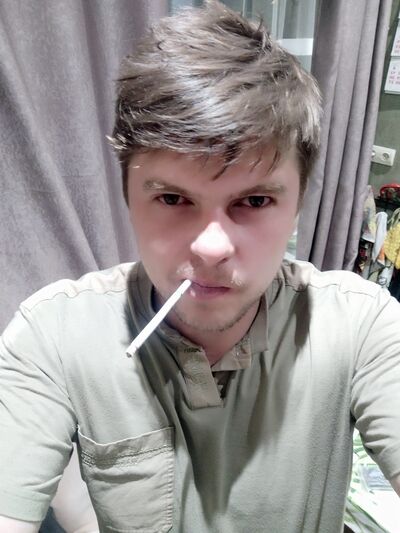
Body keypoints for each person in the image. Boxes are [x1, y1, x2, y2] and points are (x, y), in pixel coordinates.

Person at [1, 1, 400, 532]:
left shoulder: (361, 326)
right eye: (172, 199)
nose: (211, 248)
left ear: (298, 205)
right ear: (128, 199)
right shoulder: (52, 335)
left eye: (254, 201)